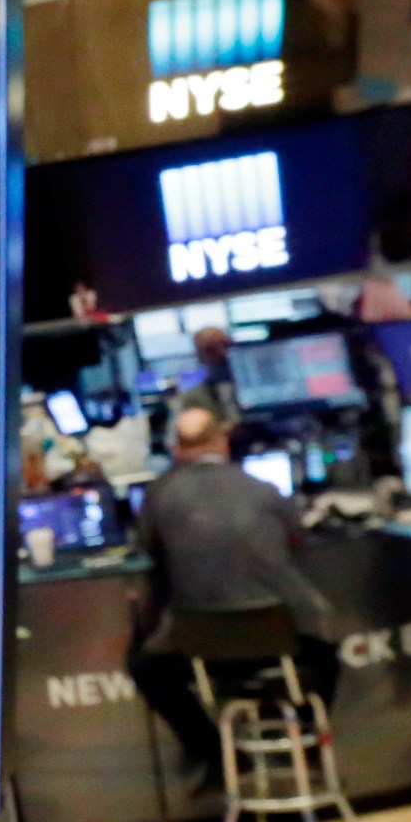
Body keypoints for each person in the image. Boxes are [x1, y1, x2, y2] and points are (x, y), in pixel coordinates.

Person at [128, 407, 336, 781]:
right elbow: (296, 543)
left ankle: (216, 757)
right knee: (329, 657)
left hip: (200, 647)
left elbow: (151, 553)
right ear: (222, 442)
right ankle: (306, 748)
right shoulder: (264, 489)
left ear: (176, 449)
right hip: (280, 640)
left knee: (144, 667)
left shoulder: (158, 495)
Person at [175, 326, 241, 435]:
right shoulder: (193, 397)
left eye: (225, 345)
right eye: (211, 349)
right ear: (199, 355)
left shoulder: (256, 384)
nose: (222, 353)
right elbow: (175, 441)